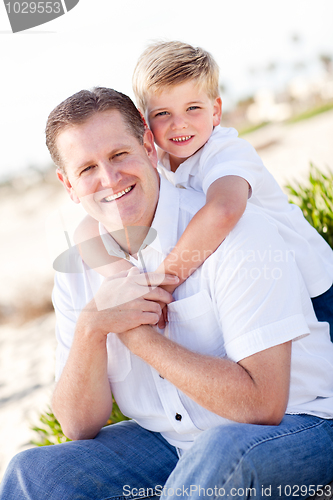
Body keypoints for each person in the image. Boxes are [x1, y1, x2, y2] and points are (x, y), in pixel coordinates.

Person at [1, 87, 333, 500]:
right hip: (173, 443)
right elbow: (78, 426)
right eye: (87, 169)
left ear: (146, 144)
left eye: (119, 154)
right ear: (68, 184)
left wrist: (138, 335)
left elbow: (262, 405)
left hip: (299, 427)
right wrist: (92, 328)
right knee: (33, 474)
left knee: (220, 454)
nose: (109, 179)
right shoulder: (78, 270)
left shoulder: (235, 234)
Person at [75, 40, 333, 334]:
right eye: (162, 114)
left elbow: (223, 209)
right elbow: (87, 229)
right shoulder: (153, 160)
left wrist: (163, 281)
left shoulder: (227, 151)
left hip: (313, 284)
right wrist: (128, 280)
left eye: (193, 108)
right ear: (143, 121)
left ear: (215, 111)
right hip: (256, 282)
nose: (179, 124)